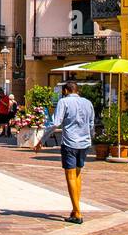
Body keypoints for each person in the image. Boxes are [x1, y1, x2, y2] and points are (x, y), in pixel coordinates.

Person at [38, 81, 95, 223]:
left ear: (65, 91)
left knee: (70, 176)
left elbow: (55, 123)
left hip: (70, 142)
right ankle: (75, 209)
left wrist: (42, 139)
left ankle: (78, 213)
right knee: (78, 174)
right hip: (84, 143)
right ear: (77, 90)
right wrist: (90, 138)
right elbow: (92, 124)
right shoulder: (88, 103)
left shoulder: (64, 102)